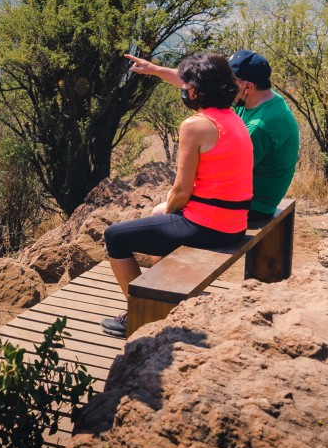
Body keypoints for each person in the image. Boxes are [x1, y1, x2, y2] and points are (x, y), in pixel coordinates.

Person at [99, 51, 253, 337]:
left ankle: (138, 314)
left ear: (198, 90)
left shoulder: (195, 126)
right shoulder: (233, 117)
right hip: (235, 224)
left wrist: (169, 208)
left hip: (209, 227)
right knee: (161, 223)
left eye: (186, 85)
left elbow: (182, 190)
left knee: (115, 236)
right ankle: (163, 304)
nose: (183, 89)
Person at [227, 49, 300, 225]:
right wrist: (155, 69)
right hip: (254, 197)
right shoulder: (268, 98)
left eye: (231, 81)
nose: (225, 86)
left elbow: (230, 176)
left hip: (254, 206)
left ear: (248, 86)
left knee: (165, 211)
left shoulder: (260, 127)